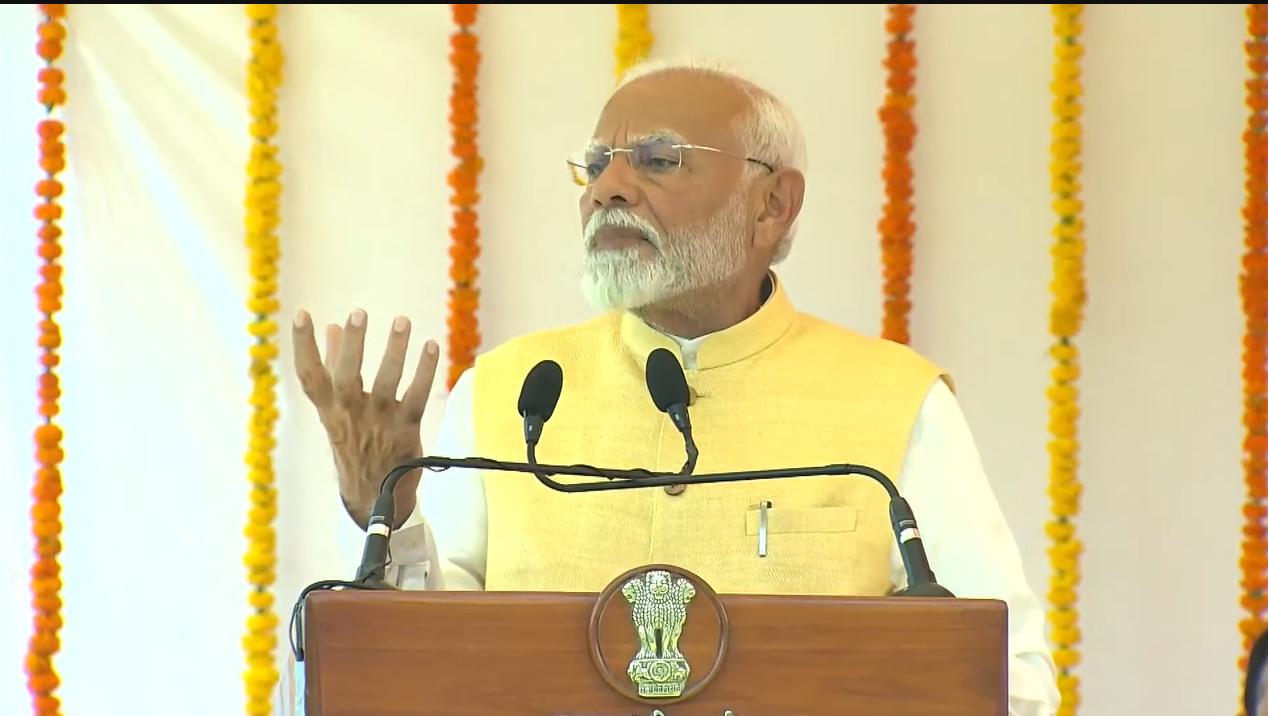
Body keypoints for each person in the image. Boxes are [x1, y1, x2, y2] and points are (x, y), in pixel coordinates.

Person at [291, 58, 1058, 714]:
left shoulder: (895, 400)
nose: (608, 189)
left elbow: (1011, 683)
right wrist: (387, 515)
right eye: (596, 164)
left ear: (772, 204)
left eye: (658, 160)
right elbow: (428, 660)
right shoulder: (511, 391)